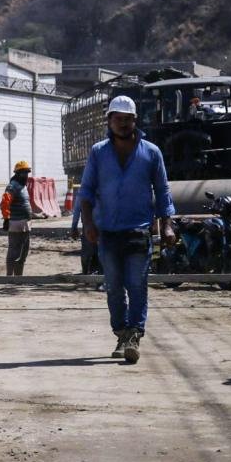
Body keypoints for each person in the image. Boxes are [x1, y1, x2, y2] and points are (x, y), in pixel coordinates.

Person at [79, 95, 176, 364]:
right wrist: (87, 224)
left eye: (127, 119)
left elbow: (163, 191)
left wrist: (167, 225)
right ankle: (121, 332)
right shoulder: (99, 152)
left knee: (136, 285)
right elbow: (86, 192)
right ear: (109, 121)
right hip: (107, 232)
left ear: (135, 121)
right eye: (117, 119)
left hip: (138, 231)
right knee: (113, 287)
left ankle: (134, 335)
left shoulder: (151, 153)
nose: (122, 124)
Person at [1, 160, 33, 276]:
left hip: (25, 224)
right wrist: (6, 218)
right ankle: (9, 277)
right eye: (23, 173)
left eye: (27, 173)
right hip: (16, 224)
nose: (26, 176)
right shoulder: (12, 186)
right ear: (17, 174)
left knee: (23, 253)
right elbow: (5, 202)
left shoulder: (23, 186)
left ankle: (18, 278)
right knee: (13, 252)